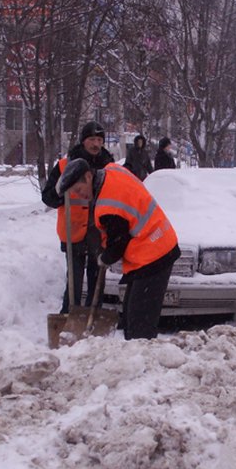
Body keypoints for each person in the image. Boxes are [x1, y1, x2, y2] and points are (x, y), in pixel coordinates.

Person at [58, 158, 181, 339]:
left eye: (78, 189)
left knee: (139, 323)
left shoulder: (108, 205)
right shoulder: (112, 170)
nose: (78, 195)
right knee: (132, 316)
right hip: (156, 245)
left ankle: (143, 360)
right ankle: (136, 353)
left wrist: (104, 258)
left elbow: (118, 244)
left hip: (154, 254)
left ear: (88, 176)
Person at [41, 121, 114, 313]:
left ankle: (93, 319)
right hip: (73, 231)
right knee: (73, 281)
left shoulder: (110, 167)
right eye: (92, 139)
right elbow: (48, 196)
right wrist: (60, 193)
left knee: (97, 281)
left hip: (99, 233)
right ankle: (69, 317)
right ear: (83, 141)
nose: (96, 144)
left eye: (99, 140)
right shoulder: (66, 165)